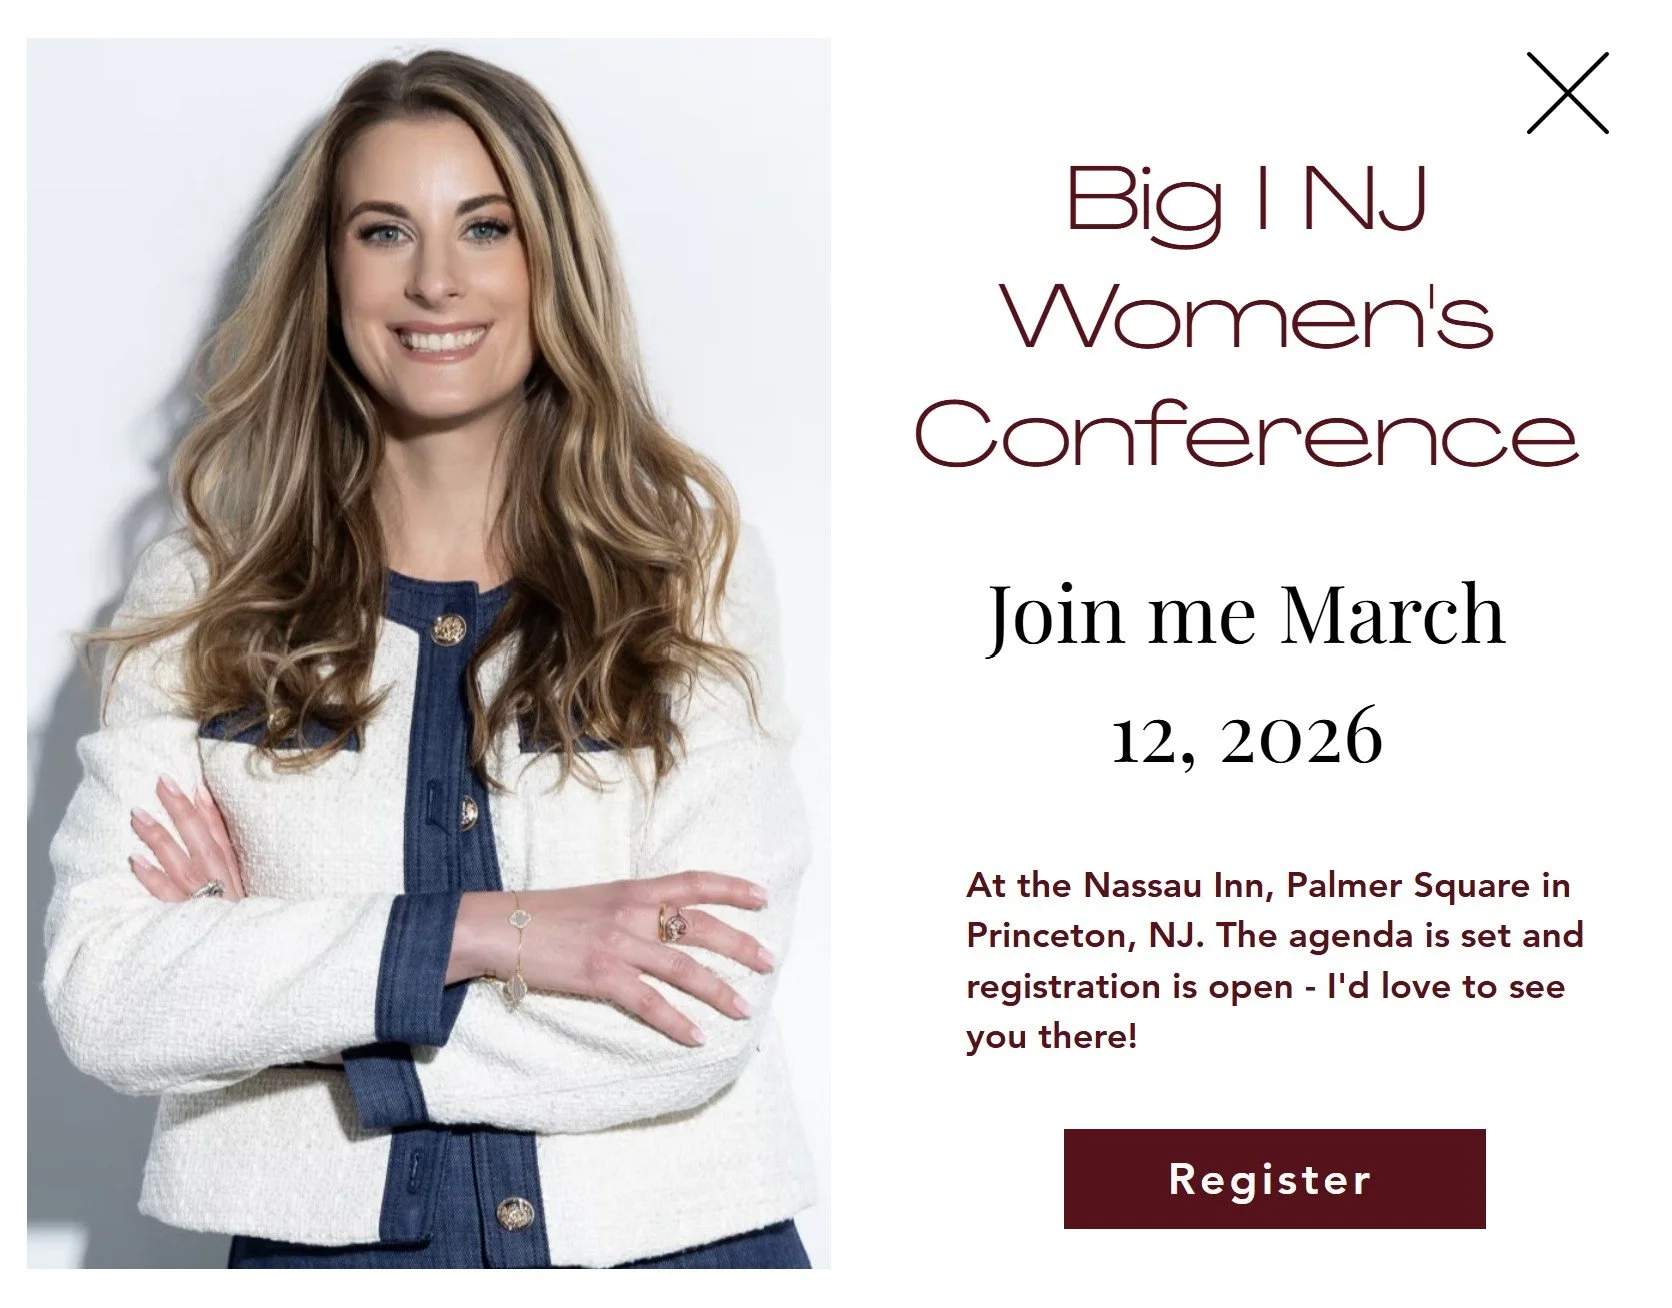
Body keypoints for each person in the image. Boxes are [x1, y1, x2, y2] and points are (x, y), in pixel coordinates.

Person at [41, 48, 817, 1269]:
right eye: (385, 230)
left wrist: (289, 989)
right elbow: (109, 996)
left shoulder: (687, 567)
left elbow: (697, 1015)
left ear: (546, 260)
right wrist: (491, 933)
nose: (438, 282)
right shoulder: (206, 592)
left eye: (486, 227)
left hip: (678, 1255)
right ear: (329, 269)